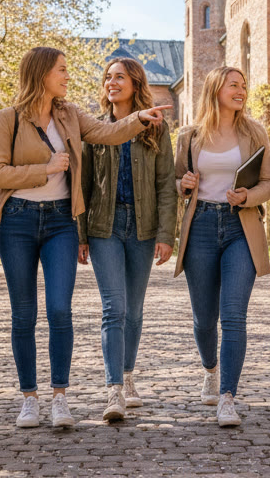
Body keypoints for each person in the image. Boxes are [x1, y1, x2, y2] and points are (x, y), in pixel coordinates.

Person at [0, 47, 170, 428]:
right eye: (62, 70)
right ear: (41, 74)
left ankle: (59, 398)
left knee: (59, 310)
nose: (68, 76)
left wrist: (137, 118)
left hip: (60, 223)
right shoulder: (9, 119)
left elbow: (107, 132)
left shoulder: (70, 115)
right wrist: (45, 168)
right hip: (18, 221)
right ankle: (29, 399)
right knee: (24, 314)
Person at [175, 65, 270, 427]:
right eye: (234, 85)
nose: (241, 90)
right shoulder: (189, 136)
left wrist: (249, 195)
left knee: (233, 316)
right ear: (216, 89)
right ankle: (211, 369)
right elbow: (177, 182)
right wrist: (184, 183)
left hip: (240, 228)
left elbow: (269, 182)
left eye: (244, 85)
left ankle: (228, 396)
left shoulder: (254, 132)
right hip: (200, 225)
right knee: (204, 319)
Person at [77, 57, 178, 421]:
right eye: (107, 77)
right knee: (113, 308)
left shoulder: (155, 128)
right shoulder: (92, 127)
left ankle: (128, 375)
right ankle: (113, 390)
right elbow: (82, 183)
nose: (111, 82)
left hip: (143, 227)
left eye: (119, 77)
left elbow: (166, 183)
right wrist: (80, 233)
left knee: (133, 311)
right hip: (103, 227)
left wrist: (167, 233)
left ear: (135, 83)